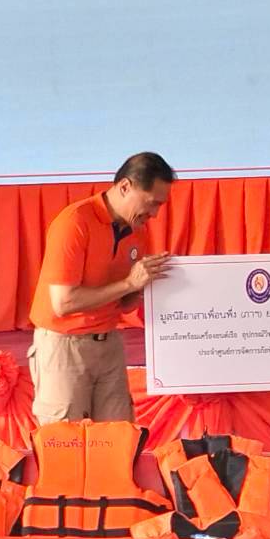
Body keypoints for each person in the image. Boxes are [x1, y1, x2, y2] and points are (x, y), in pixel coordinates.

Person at [28, 152, 175, 423]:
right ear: (125, 187)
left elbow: (124, 304)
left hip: (109, 343)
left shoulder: (137, 230)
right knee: (65, 439)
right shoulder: (74, 222)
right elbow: (64, 303)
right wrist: (129, 283)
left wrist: (145, 286)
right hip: (64, 347)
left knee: (117, 437)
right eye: (152, 203)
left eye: (160, 206)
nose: (154, 214)